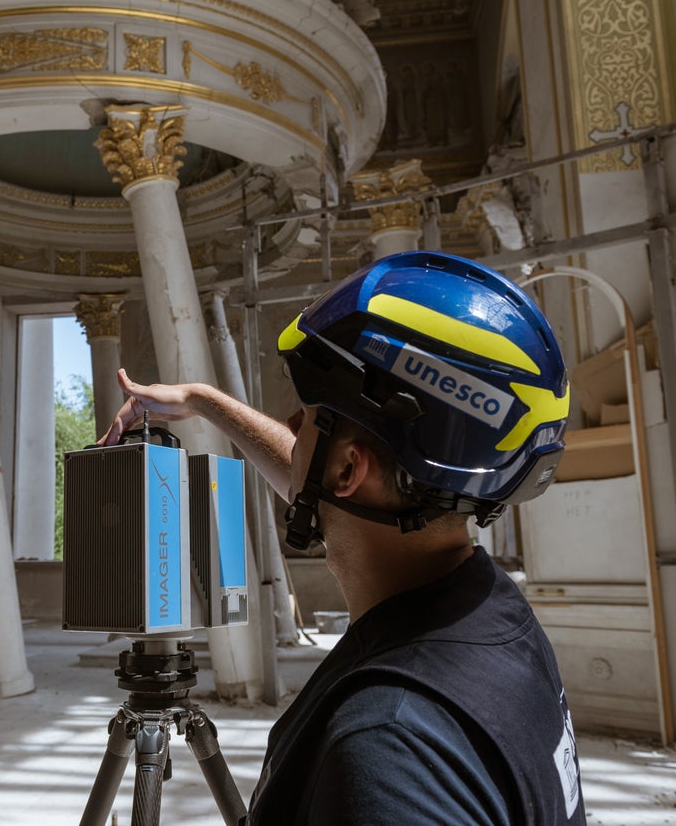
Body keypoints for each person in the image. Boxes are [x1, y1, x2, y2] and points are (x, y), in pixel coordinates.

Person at [99, 251, 584, 825]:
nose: (294, 432)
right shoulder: (492, 617)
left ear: (348, 470)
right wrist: (204, 402)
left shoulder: (386, 751)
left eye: (305, 420)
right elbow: (321, 479)